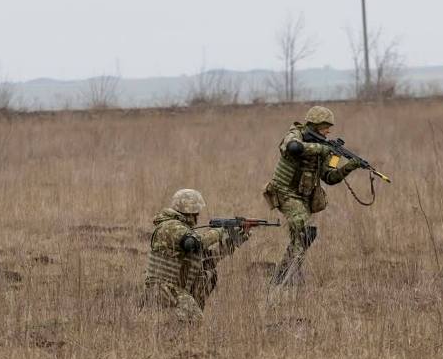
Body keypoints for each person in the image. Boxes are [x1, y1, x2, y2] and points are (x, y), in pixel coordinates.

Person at [262, 105, 364, 285]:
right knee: (303, 227)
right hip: (284, 192)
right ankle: (286, 277)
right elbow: (293, 147)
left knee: (305, 235)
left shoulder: (326, 147)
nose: (329, 131)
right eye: (326, 127)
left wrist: (350, 166)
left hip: (303, 198)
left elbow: (330, 177)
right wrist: (321, 149)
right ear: (315, 125)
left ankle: (285, 275)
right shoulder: (295, 134)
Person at [142, 189, 249, 322]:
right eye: (196, 213)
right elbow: (195, 243)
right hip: (162, 288)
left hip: (173, 288)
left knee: (207, 274)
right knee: (194, 319)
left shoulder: (183, 229)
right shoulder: (170, 227)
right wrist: (219, 231)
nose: (198, 217)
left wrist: (231, 243)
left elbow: (207, 261)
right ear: (189, 211)